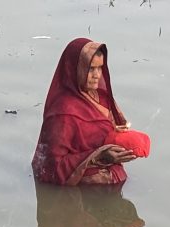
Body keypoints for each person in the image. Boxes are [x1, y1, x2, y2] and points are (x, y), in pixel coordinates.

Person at [32, 38, 141, 186]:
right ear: (74, 68)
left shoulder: (100, 97)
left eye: (100, 68)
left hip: (110, 179)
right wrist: (98, 156)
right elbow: (51, 168)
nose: (97, 75)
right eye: (90, 69)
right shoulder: (63, 113)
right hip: (83, 191)